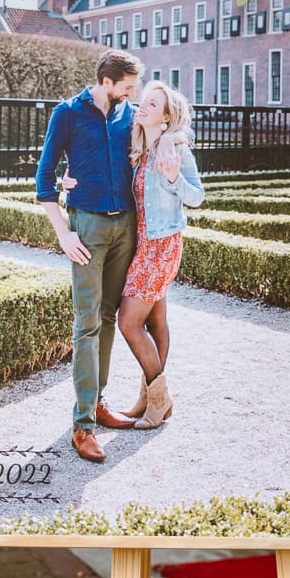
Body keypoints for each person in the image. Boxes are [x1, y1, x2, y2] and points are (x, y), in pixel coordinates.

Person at [36, 50, 144, 462]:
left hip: (126, 227)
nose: (132, 94)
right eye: (128, 87)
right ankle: (82, 426)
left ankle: (98, 403)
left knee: (106, 318)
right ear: (107, 82)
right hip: (87, 228)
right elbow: (44, 178)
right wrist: (63, 233)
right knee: (86, 322)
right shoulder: (67, 114)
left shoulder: (127, 115)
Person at [117, 83, 203, 430]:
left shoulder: (175, 149)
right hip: (142, 243)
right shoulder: (141, 148)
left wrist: (173, 177)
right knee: (155, 323)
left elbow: (197, 197)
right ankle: (148, 400)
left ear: (166, 117)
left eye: (153, 103)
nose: (143, 106)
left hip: (162, 244)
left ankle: (159, 398)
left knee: (129, 322)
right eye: (144, 101)